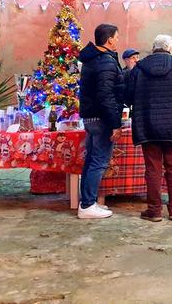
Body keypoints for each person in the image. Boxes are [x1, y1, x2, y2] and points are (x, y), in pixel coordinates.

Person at [125, 34, 172, 222]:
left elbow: (128, 97)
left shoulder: (139, 68)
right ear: (170, 48)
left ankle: (154, 211)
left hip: (148, 126)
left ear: (153, 48)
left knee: (153, 169)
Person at [77, 24, 123, 219]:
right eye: (117, 37)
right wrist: (115, 123)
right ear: (110, 39)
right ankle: (87, 205)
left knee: (91, 160)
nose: (118, 40)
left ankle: (87, 201)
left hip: (90, 116)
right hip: (101, 118)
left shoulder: (92, 59)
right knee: (99, 161)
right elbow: (106, 96)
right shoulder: (105, 61)